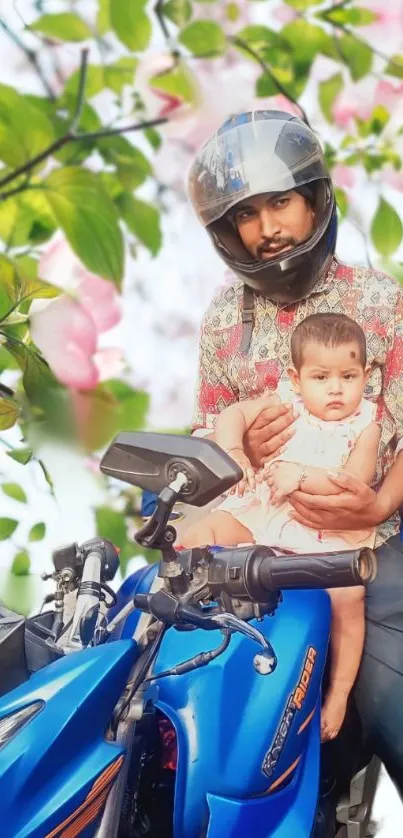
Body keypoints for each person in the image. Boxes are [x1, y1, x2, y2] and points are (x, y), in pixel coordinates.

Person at [186, 109, 403, 794]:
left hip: (370, 540)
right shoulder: (224, 319)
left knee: (382, 686)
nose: (267, 227)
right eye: (245, 213)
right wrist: (230, 446)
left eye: (279, 201)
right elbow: (208, 438)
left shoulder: (380, 300)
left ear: (313, 198)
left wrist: (379, 499)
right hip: (257, 539)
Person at [183, 312, 380, 741]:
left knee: (349, 596)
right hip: (266, 514)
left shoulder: (366, 423)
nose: (335, 389)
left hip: (322, 532)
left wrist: (301, 475)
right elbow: (231, 415)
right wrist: (234, 450)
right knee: (202, 534)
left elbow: (357, 481)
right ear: (296, 376)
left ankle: (339, 693)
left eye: (348, 376)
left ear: (366, 375)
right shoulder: (284, 401)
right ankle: (167, 634)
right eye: (321, 376)